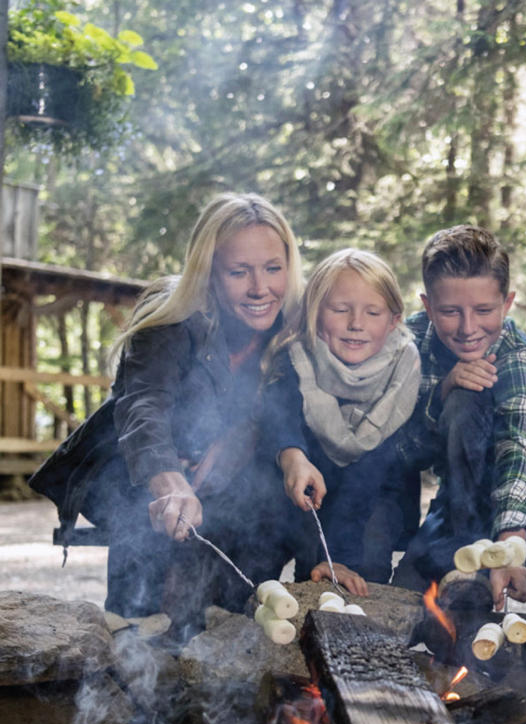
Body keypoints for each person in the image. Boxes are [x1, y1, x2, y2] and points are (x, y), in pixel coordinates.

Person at [29, 193, 324, 630]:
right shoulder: (172, 313)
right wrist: (169, 481)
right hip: (141, 475)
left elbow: (283, 406)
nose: (261, 288)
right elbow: (143, 403)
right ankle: (133, 634)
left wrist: (265, 444)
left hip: (231, 487)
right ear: (209, 273)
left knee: (229, 617)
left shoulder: (291, 322)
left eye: (272, 268)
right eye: (239, 272)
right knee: (146, 617)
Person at [391, 224, 526, 609]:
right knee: (405, 593)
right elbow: (401, 450)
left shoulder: (517, 355)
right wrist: (441, 392)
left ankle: (477, 561)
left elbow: (519, 446)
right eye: (450, 312)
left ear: (507, 303)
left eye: (484, 310)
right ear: (428, 305)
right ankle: (458, 544)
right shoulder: (409, 344)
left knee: (471, 396)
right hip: (464, 485)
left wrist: (510, 544)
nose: (468, 329)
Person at [261, 248, 421, 587]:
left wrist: (342, 560)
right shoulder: (298, 359)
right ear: (316, 313)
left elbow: (373, 469)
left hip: (378, 494)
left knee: (366, 567)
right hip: (307, 489)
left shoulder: (404, 369)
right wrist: (292, 455)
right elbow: (280, 414)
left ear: (394, 320)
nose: (356, 324)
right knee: (310, 569)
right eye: (340, 309)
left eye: (373, 312)